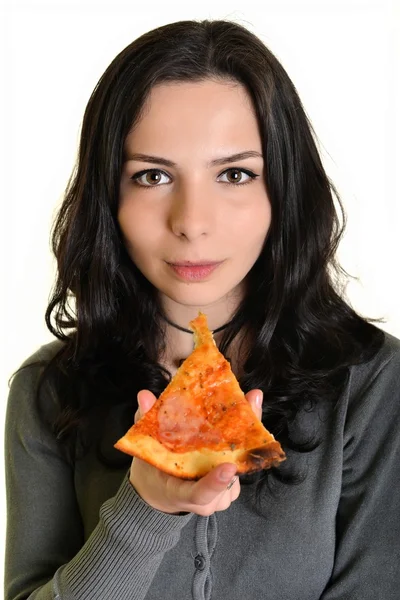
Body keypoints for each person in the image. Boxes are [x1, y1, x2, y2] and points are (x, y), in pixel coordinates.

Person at [4, 18, 400, 600]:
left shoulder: (371, 385)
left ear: (284, 189)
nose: (191, 222)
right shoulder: (49, 391)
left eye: (235, 174)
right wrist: (144, 510)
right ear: (107, 197)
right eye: (153, 175)